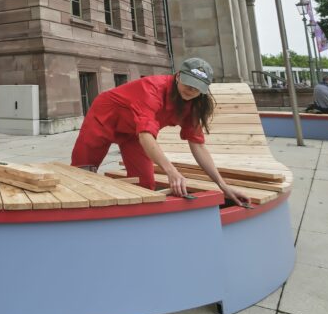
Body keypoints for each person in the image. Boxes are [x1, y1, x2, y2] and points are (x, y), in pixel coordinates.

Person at [71, 58, 248, 206]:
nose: (191, 90)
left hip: (133, 133)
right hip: (104, 118)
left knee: (145, 184)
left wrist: (223, 185)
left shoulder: (193, 105)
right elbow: (146, 135)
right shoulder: (152, 88)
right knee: (82, 174)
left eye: (197, 88)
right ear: (178, 76)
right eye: (188, 83)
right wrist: (171, 171)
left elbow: (198, 146)